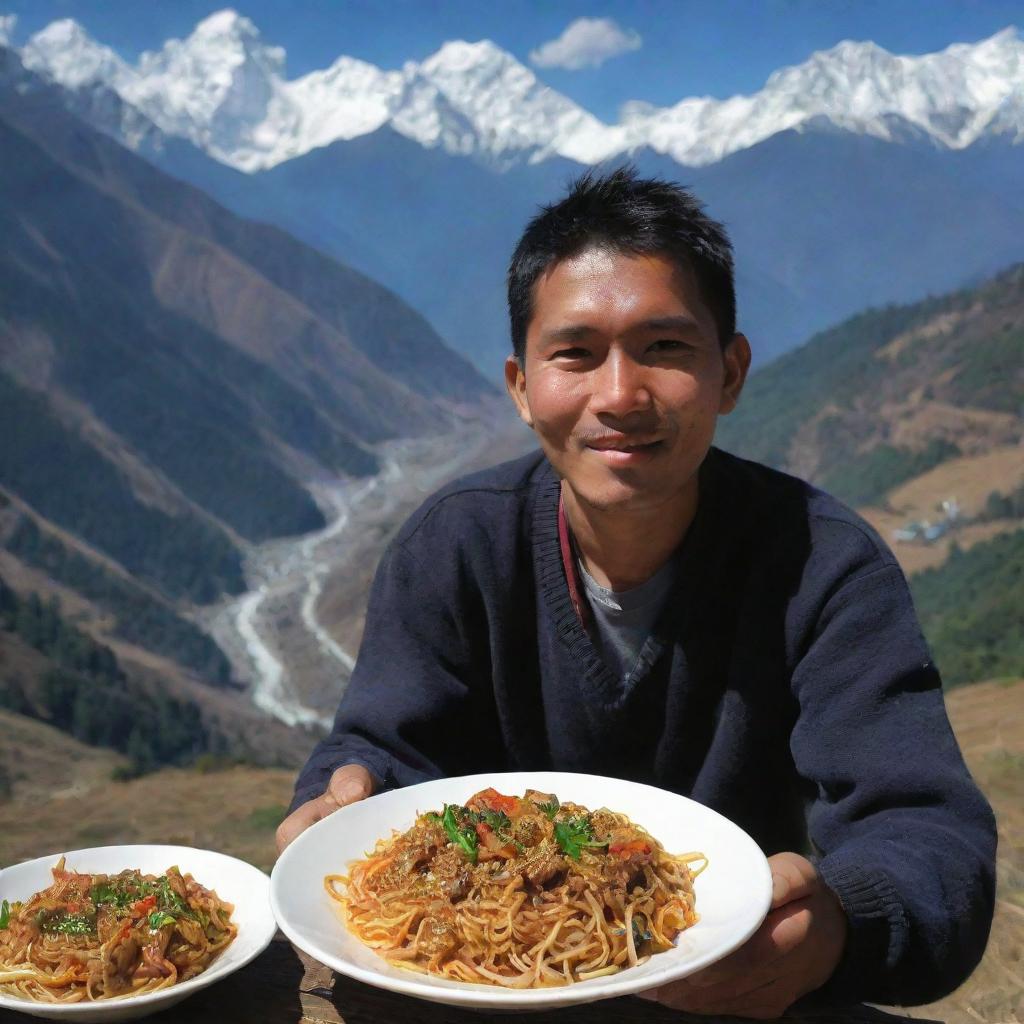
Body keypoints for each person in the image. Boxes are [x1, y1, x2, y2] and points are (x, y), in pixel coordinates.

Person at [277, 167, 996, 1016]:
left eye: (665, 347)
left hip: (732, 997)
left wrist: (839, 926)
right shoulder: (456, 546)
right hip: (470, 995)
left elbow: (928, 838)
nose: (620, 395)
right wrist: (331, 801)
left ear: (731, 373)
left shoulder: (823, 566)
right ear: (520, 386)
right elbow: (379, 755)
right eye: (575, 353)